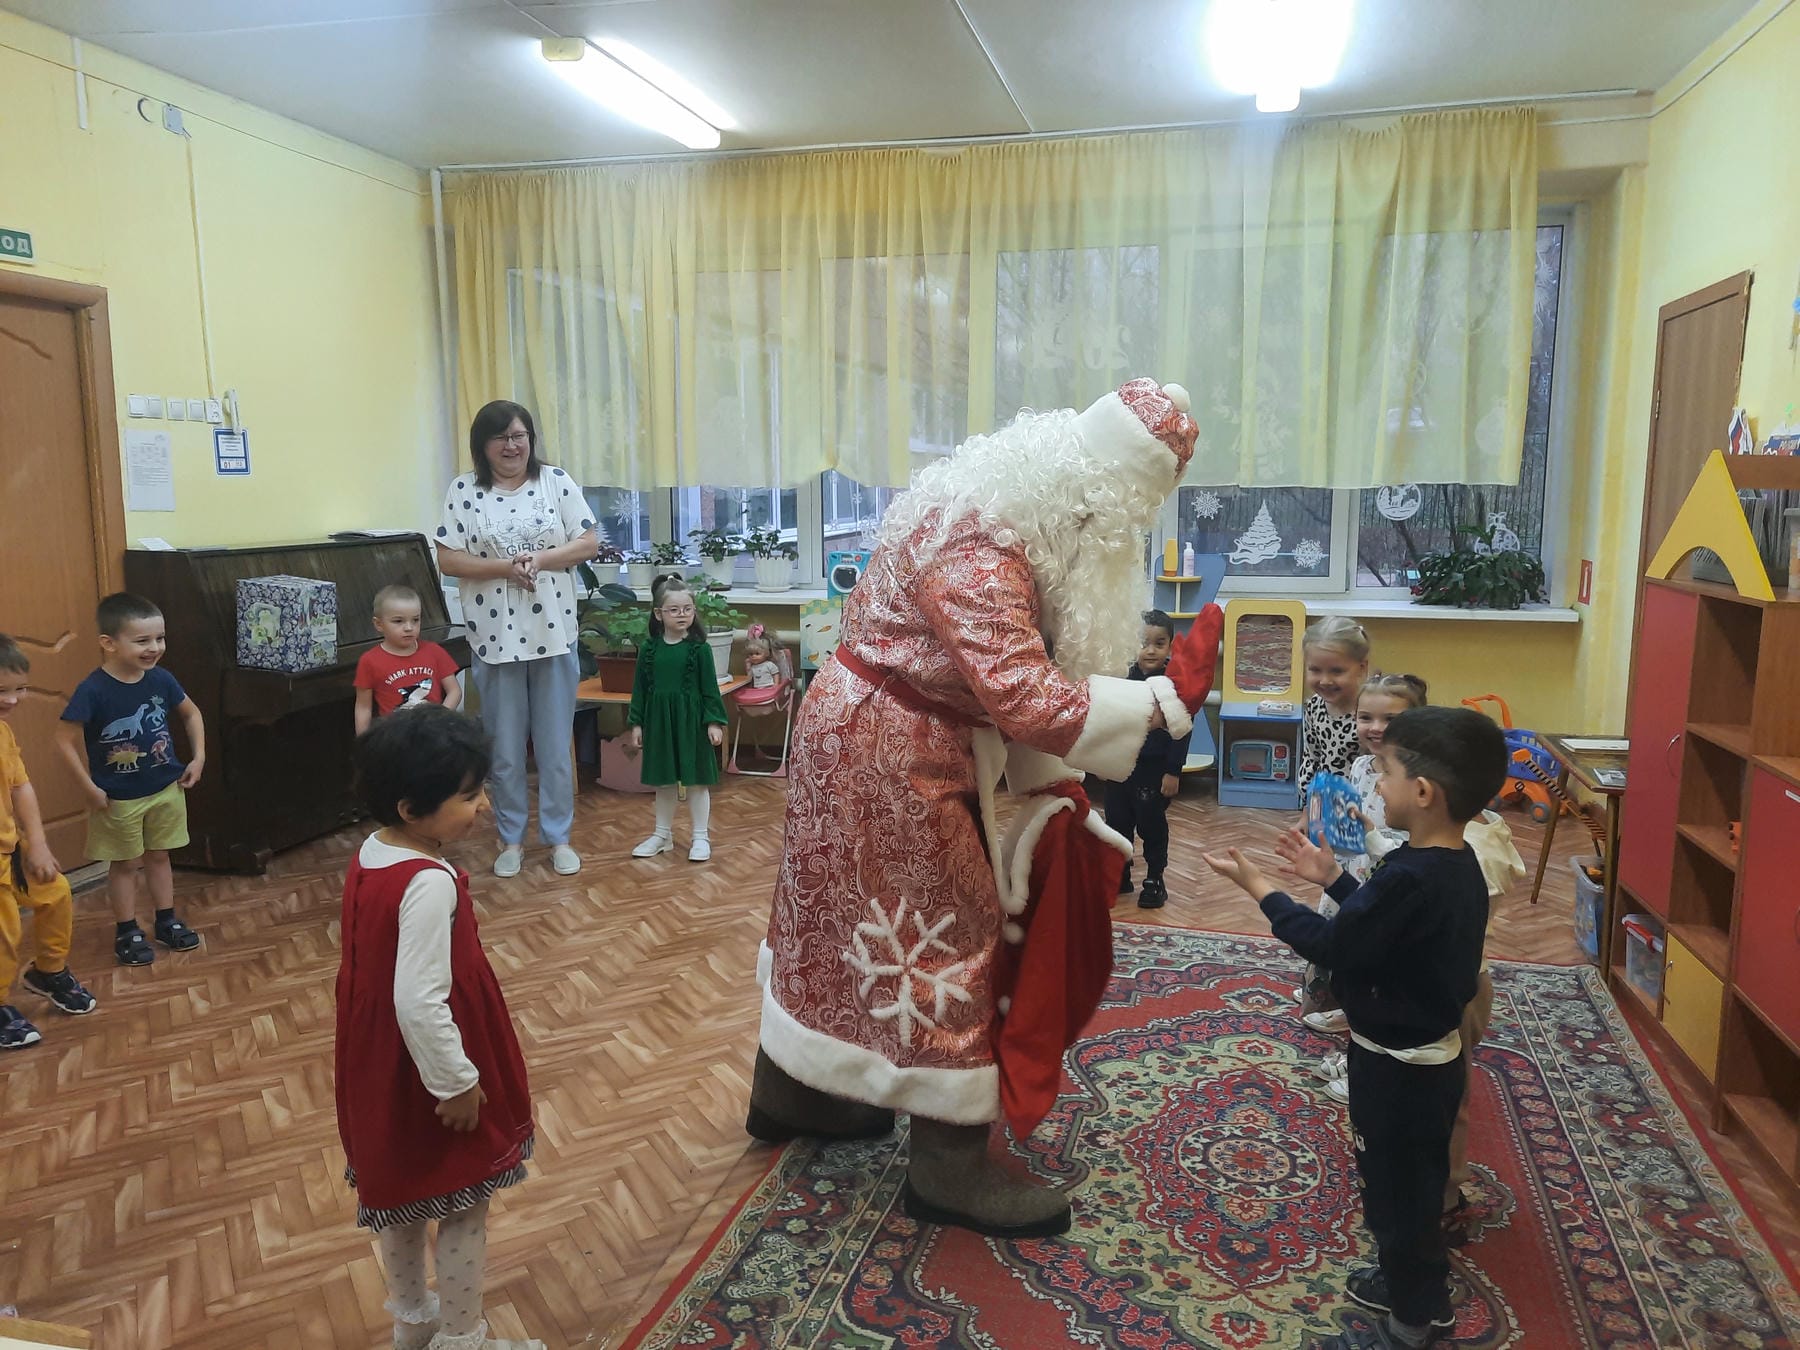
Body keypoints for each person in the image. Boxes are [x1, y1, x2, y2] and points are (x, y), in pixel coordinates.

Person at [750, 378, 1220, 1239]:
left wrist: (1055, 789)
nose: (1114, 540)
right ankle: (949, 1162)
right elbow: (1024, 694)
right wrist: (1161, 705)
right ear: (1086, 496)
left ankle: (792, 1093)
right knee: (949, 930)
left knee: (830, 911)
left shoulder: (1006, 509)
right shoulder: (979, 541)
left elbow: (1012, 678)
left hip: (876, 727)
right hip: (890, 744)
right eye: (1115, 520)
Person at [1203, 705, 1508, 1350]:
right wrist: (1336, 878)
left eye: (1386, 773)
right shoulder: (1449, 866)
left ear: (1421, 793)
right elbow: (1388, 928)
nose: (1378, 786)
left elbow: (1333, 945)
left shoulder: (1408, 877)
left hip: (1397, 1070)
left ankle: (1413, 1320)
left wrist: (1260, 888)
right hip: (1424, 1059)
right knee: (1409, 1184)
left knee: (1398, 1198)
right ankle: (1411, 1287)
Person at [336, 706, 540, 1350]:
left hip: (379, 1060)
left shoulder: (374, 852)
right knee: (463, 1201)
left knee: (401, 1194)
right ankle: (461, 1338)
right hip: (431, 1061)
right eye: (469, 796)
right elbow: (420, 1002)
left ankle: (414, 1322)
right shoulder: (428, 882)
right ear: (410, 808)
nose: (483, 806)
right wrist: (456, 1083)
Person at [434, 401, 598, 879]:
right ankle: (510, 839)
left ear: (530, 439)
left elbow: (588, 542)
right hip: (494, 638)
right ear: (482, 445)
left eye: (519, 435)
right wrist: (506, 568)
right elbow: (449, 559)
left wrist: (540, 560)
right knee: (504, 750)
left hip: (554, 633)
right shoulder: (464, 490)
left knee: (554, 746)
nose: (512, 446)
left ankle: (558, 837)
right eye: (501, 438)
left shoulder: (555, 481)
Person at [55, 593, 205, 967]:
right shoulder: (93, 689)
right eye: (142, 640)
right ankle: (127, 930)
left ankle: (166, 920)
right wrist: (88, 787)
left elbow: (191, 714)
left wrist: (199, 756)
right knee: (124, 864)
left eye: (160, 638)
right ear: (109, 643)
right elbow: (63, 740)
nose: (154, 648)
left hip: (166, 789)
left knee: (160, 856)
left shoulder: (162, 679)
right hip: (119, 798)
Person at [1313, 672, 1430, 1087]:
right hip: (1356, 874)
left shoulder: (1419, 778)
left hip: (1391, 882)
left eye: (1391, 719)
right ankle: (1350, 1013)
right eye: (1366, 717)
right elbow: (1356, 819)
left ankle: (1365, 1061)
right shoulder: (1362, 765)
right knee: (1350, 955)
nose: (1376, 728)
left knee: (1378, 967)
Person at [0, 635, 98, 1049]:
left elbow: (21, 787)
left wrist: (37, 843)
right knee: (4, 936)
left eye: (19, 688)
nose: (12, 700)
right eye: (1, 691)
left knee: (55, 892)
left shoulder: (3, 732)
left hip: (12, 852)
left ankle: (48, 971)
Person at [625, 575, 728, 862]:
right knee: (664, 782)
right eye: (674, 610)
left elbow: (710, 689)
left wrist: (713, 721)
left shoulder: (700, 649)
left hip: (692, 724)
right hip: (659, 724)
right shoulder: (649, 649)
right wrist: (637, 723)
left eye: (687, 609)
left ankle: (700, 837)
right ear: (658, 614)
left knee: (697, 782)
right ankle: (662, 835)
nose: (682, 614)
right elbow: (640, 690)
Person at [1105, 609, 1193, 910]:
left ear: (1170, 646)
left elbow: (1182, 730)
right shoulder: (1122, 677)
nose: (1151, 650)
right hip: (1120, 766)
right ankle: (1120, 872)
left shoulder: (1174, 683)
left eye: (1159, 643)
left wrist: (1173, 771)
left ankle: (1155, 878)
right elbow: (1109, 722)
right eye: (1144, 643)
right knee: (1117, 821)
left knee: (1151, 823)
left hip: (1154, 769)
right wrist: (1103, 762)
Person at [355, 584, 464, 735]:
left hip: (434, 735)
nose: (409, 627)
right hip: (395, 737)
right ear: (379, 624)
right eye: (398, 621)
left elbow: (454, 691)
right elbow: (363, 707)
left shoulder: (434, 651)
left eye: (415, 620)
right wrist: (364, 742)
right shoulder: (369, 661)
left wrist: (439, 720)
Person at [1298, 616, 1371, 792]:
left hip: (1363, 802)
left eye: (1337, 671)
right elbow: (1311, 757)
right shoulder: (1314, 706)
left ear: (1362, 668)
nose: (1325, 681)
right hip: (1324, 800)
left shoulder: (1372, 712)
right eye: (1315, 670)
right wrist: (1307, 801)